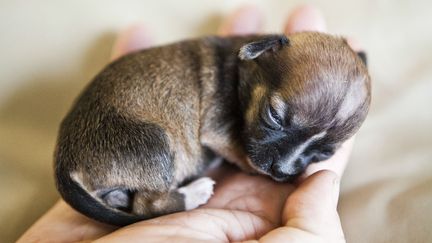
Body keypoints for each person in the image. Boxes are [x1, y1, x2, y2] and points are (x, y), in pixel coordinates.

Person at [18, 5, 362, 242]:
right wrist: (187, 198)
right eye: (275, 116)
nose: (285, 163)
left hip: (101, 156)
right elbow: (215, 130)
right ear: (260, 53)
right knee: (152, 151)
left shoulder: (262, 69)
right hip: (119, 133)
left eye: (320, 151)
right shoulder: (222, 73)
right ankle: (149, 200)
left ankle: (118, 192)